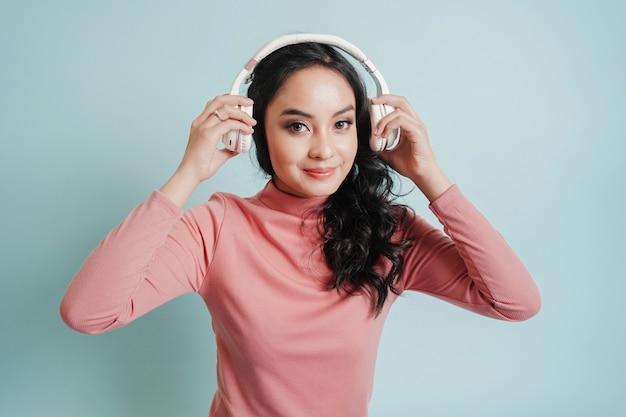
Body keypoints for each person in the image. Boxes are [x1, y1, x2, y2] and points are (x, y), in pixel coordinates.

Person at [60, 35, 541, 417]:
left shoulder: (388, 230)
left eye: (341, 124)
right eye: (297, 125)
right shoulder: (217, 226)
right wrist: (188, 175)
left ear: (367, 128)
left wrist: (428, 175)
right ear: (257, 131)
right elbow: (88, 313)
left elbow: (515, 303)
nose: (323, 151)